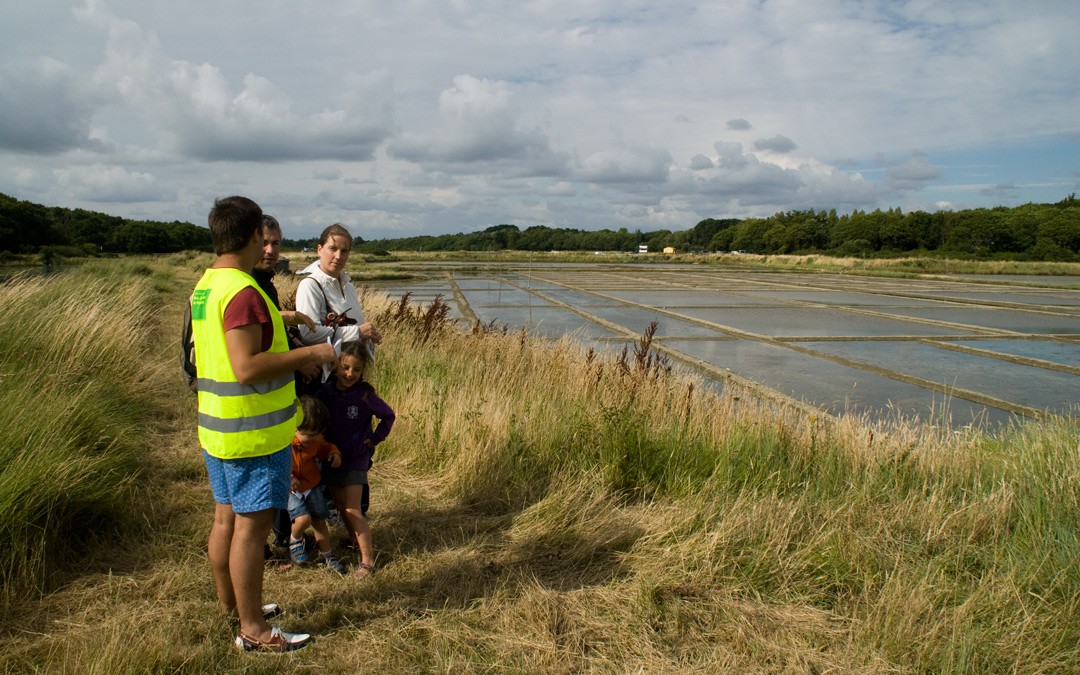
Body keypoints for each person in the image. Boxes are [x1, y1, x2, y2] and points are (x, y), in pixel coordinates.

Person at [191, 196, 336, 653]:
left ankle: (235, 608)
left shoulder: (207, 285)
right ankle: (253, 631)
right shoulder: (244, 291)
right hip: (251, 433)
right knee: (250, 530)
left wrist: (285, 317)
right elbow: (247, 366)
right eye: (265, 236)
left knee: (225, 520)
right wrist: (311, 353)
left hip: (218, 428)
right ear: (255, 235)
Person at [252, 214, 319, 551]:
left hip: (275, 394)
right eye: (264, 242)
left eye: (276, 243)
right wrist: (302, 352)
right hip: (256, 400)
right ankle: (272, 539)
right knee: (263, 480)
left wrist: (294, 348)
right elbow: (256, 329)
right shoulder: (247, 283)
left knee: (276, 473)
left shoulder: (266, 281)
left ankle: (281, 534)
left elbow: (272, 332)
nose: (270, 250)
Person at [316, 340, 395, 579]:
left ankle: (367, 561)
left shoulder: (365, 394)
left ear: (363, 371)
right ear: (335, 365)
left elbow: (388, 416)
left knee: (352, 509)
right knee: (340, 507)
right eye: (345, 367)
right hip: (331, 459)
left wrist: (374, 440)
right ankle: (354, 541)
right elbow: (313, 416)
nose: (350, 374)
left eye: (356, 369)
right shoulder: (326, 393)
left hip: (356, 459)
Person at [295, 223, 383, 350]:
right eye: (333, 248)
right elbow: (308, 334)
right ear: (319, 249)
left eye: (344, 251)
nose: (338, 256)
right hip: (328, 367)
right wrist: (357, 332)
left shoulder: (349, 286)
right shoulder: (310, 285)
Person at [288, 395, 345, 574]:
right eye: (309, 435)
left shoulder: (316, 440)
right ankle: (295, 539)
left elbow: (326, 446)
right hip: (292, 490)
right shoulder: (285, 442)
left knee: (320, 521)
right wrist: (289, 477)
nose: (314, 439)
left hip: (312, 485)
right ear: (295, 428)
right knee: (303, 519)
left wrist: (335, 454)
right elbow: (277, 464)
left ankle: (327, 555)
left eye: (317, 434)